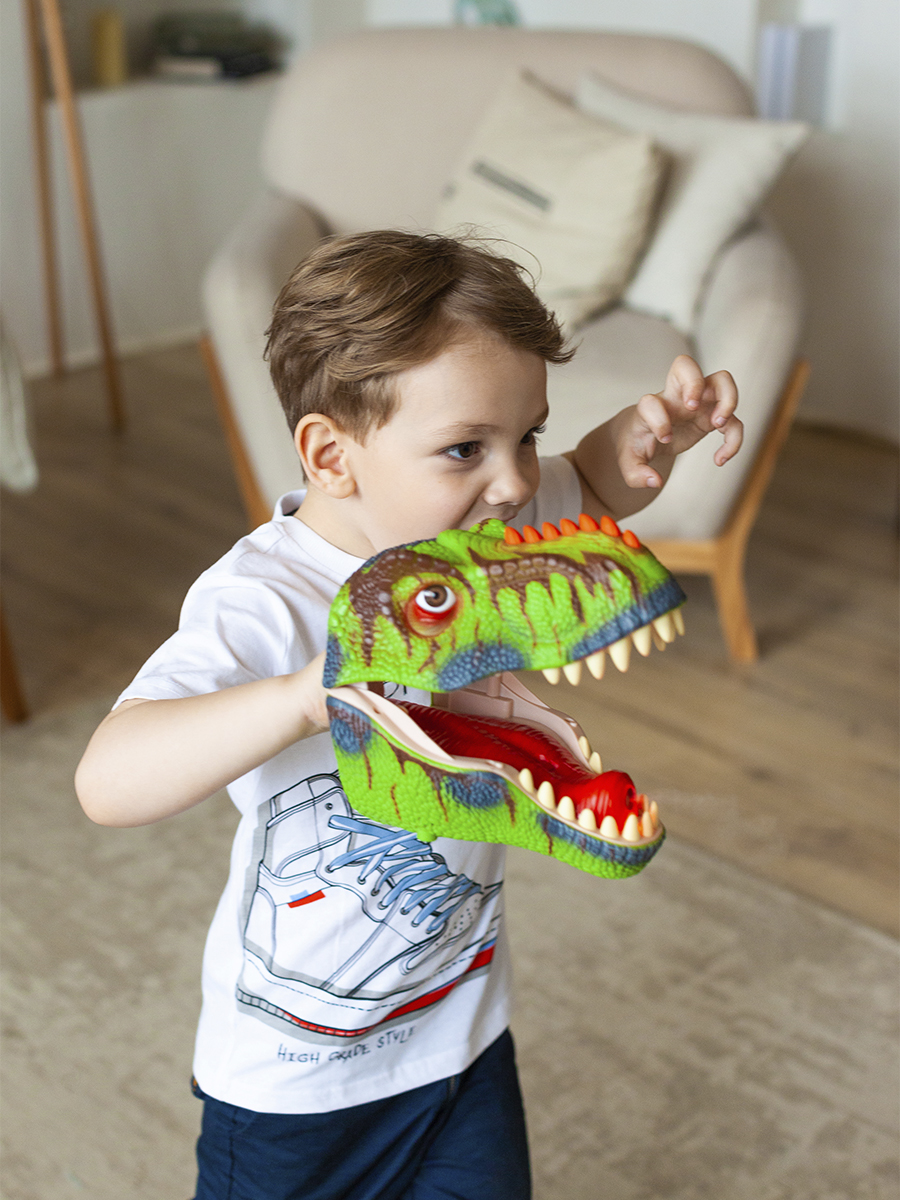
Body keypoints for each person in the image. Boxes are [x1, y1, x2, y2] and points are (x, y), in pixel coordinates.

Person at [75, 230, 742, 1200]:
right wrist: (304, 696)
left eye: (529, 436)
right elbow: (107, 779)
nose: (513, 482)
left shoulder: (481, 519)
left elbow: (589, 489)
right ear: (331, 456)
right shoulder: (264, 598)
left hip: (460, 1032)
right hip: (294, 1083)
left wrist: (644, 444)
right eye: (467, 447)